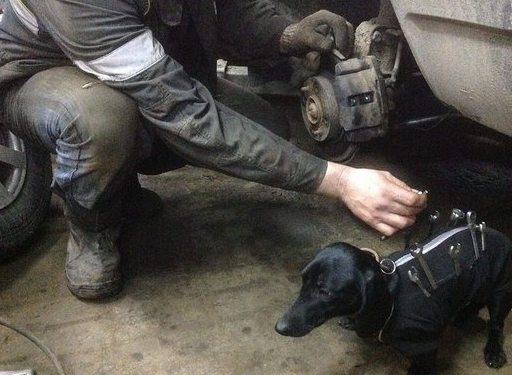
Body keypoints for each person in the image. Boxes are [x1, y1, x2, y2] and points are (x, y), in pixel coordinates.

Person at [0, 0, 427, 300]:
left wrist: (288, 34)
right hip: (40, 75)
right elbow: (183, 111)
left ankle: (119, 179)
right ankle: (92, 225)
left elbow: (234, 9)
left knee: (266, 129)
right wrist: (341, 180)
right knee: (103, 120)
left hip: (139, 69)